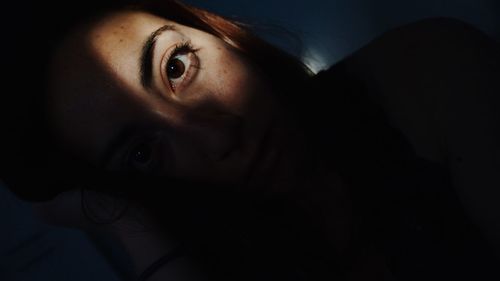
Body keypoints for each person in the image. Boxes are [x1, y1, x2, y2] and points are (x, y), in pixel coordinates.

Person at [1, 0, 499, 280]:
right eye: (142, 152)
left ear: (220, 35)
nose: (215, 135)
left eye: (176, 66)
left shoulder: (427, 69)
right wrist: (127, 219)